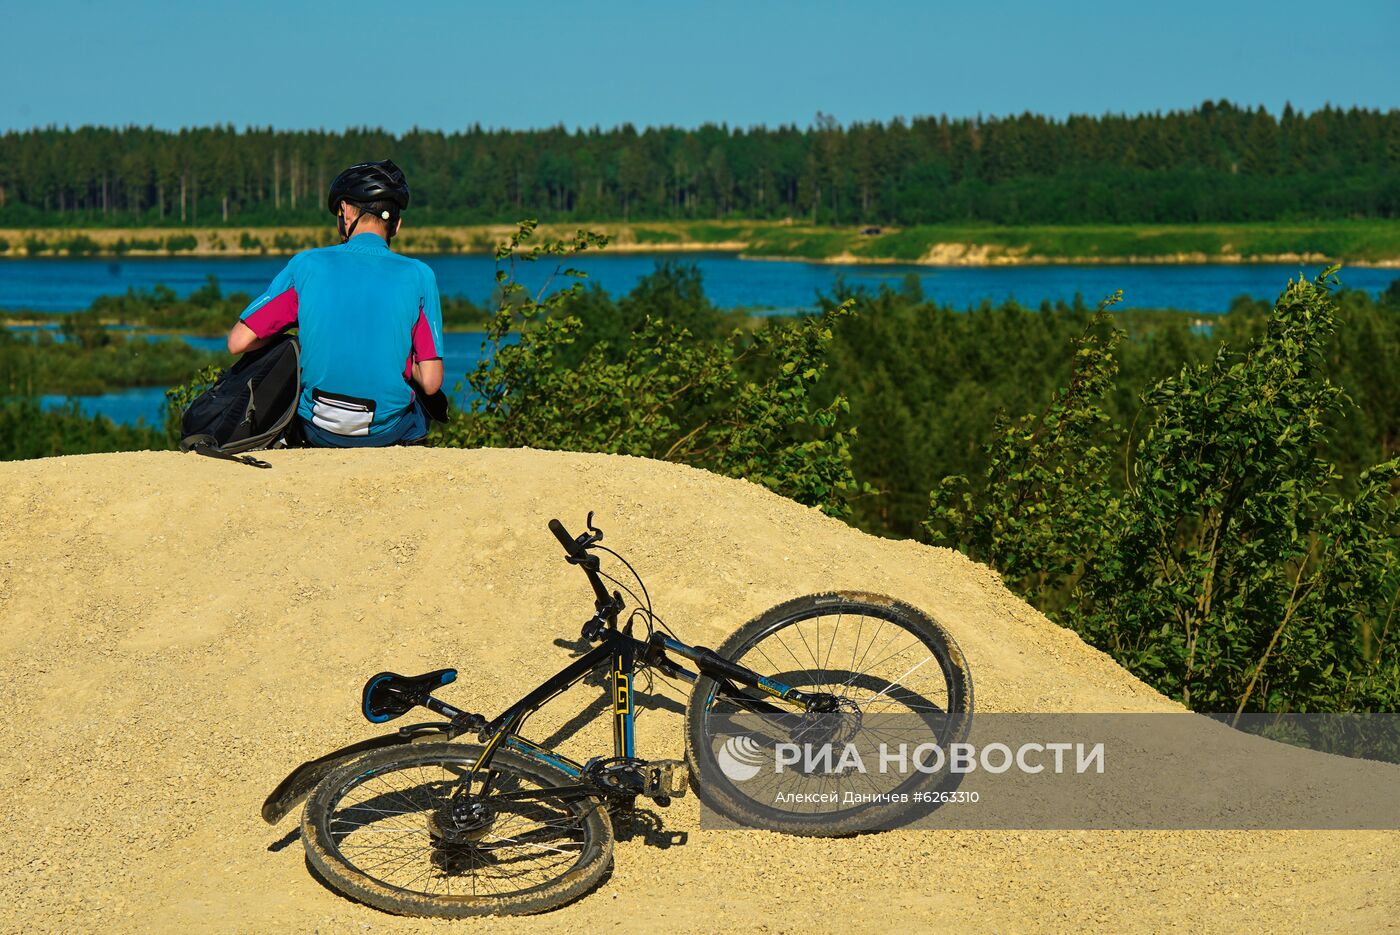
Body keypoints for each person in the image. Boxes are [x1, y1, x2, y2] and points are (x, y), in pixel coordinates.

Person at [226, 159, 445, 447]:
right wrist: (408, 363)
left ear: (346, 211)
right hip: (386, 433)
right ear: (397, 225)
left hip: (318, 430)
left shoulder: (306, 265)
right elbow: (431, 382)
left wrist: (299, 346)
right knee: (425, 408)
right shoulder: (420, 275)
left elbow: (238, 342)